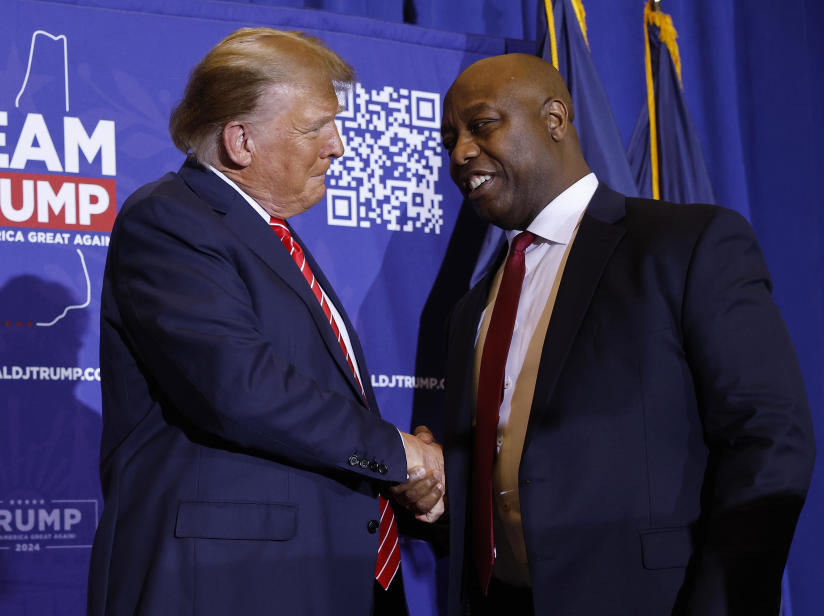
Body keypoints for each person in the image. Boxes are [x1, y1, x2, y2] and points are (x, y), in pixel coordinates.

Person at [403, 53, 815, 616]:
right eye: (449, 138)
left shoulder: (684, 245)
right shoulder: (473, 307)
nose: (460, 154)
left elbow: (770, 440)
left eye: (481, 125)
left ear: (554, 118)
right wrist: (440, 495)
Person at [86, 28, 444, 616]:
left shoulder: (266, 237)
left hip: (323, 574)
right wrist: (397, 453)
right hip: (231, 585)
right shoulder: (171, 220)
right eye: (316, 127)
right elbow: (238, 387)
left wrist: (396, 472)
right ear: (240, 141)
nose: (338, 146)